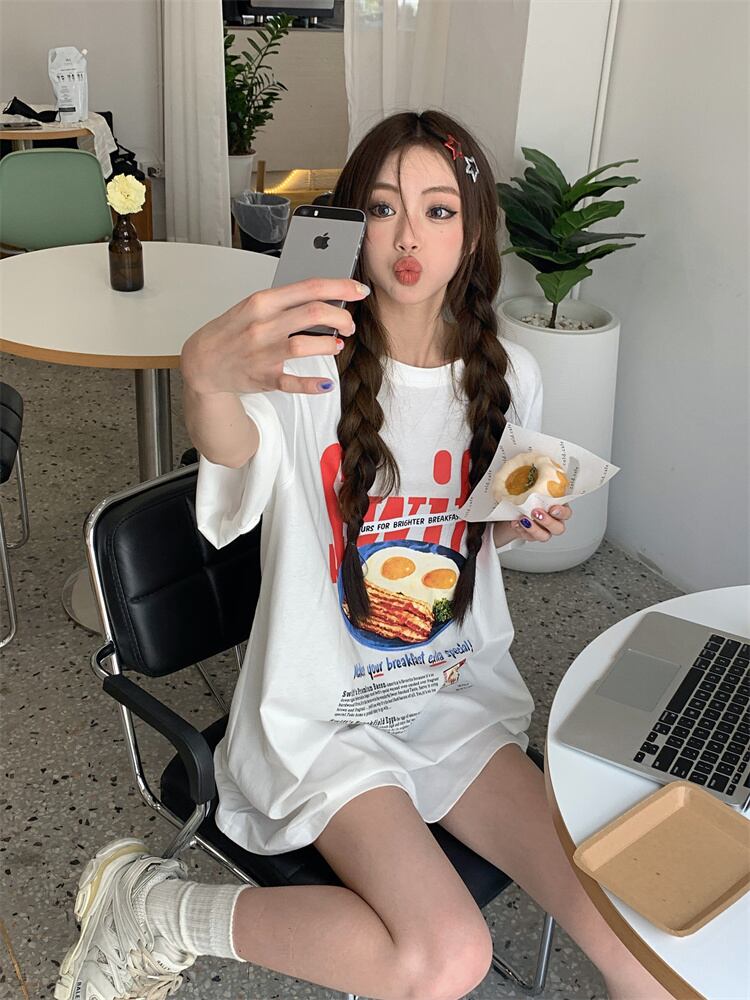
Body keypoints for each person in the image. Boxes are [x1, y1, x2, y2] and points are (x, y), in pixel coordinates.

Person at [56, 111, 674, 1000]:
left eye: (438, 210)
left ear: (473, 232)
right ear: (350, 225)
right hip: (323, 716)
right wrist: (205, 380)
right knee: (446, 958)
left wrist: (509, 526)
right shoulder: (304, 369)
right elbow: (233, 462)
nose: (409, 236)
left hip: (454, 697)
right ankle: (152, 907)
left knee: (636, 947)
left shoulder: (512, 374)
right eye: (384, 209)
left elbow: (469, 539)